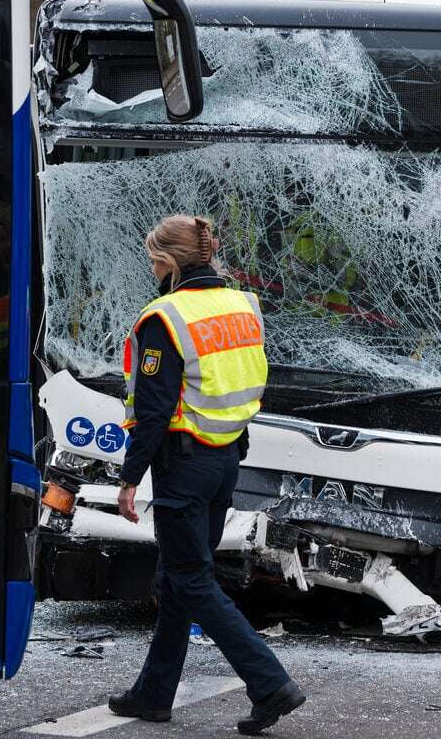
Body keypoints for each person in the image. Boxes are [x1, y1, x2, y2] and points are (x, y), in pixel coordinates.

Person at [108, 215, 306, 734]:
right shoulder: (243, 306)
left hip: (183, 465)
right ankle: (154, 694)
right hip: (225, 460)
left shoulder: (165, 318)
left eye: (154, 260)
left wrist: (129, 479)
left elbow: (152, 410)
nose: (152, 269)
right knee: (179, 578)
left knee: (192, 580)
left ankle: (270, 683)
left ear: (170, 263)